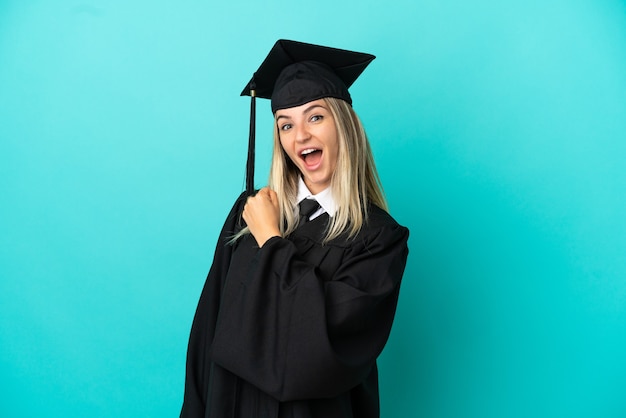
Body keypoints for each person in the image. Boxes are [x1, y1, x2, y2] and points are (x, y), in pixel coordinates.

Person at [180, 39, 409, 418]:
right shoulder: (249, 211)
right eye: (285, 124)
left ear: (345, 126)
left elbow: (323, 345)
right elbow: (208, 328)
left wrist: (271, 240)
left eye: (315, 117)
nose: (300, 136)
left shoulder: (379, 239)